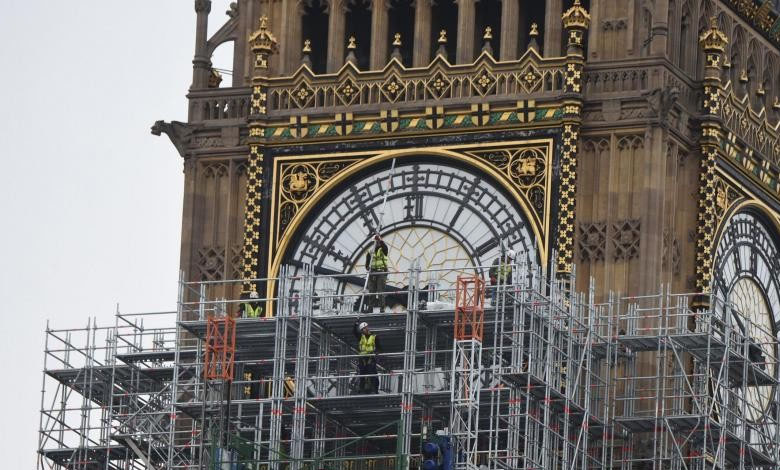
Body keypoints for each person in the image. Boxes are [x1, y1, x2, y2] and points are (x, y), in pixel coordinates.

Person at [364, 233, 389, 313]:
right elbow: (367, 264)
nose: (376, 242)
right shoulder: (370, 251)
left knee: (380, 291)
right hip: (372, 273)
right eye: (376, 241)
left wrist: (380, 240)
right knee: (372, 291)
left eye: (377, 241)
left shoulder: (383, 249)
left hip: (381, 272)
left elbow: (385, 248)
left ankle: (382, 308)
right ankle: (370, 308)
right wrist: (368, 268)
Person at [353, 321, 380, 394]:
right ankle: (362, 390)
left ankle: (374, 390)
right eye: (364, 328)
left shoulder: (374, 336)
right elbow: (354, 332)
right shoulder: (361, 337)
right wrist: (356, 324)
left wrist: (377, 354)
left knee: (372, 374)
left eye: (366, 327)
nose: (366, 329)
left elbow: (378, 347)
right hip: (363, 358)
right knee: (362, 375)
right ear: (362, 330)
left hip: (370, 358)